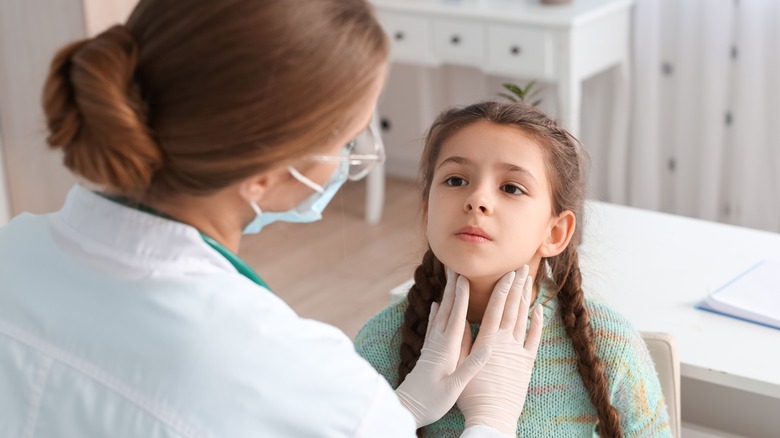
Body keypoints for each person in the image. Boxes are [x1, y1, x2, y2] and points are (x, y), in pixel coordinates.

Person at [0, 1, 545, 437]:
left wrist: (398, 412)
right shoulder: (303, 380)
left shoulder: (12, 253)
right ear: (262, 173)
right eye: (347, 138)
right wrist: (491, 423)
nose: (354, 157)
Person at [355, 101, 673, 437]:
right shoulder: (379, 342)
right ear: (427, 210)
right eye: (455, 180)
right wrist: (403, 410)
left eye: (511, 188)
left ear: (555, 233)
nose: (477, 199)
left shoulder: (610, 345)